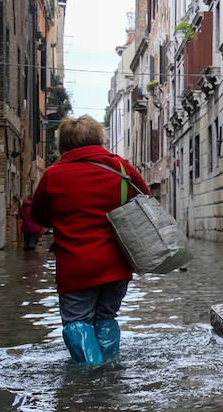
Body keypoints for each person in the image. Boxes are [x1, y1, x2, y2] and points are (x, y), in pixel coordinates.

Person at [31, 116, 149, 364]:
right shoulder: (121, 168)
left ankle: (91, 380)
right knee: (107, 317)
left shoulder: (54, 175)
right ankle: (109, 374)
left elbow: (39, 215)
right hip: (117, 263)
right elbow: (144, 199)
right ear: (98, 139)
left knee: (77, 321)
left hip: (76, 266)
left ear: (64, 143)